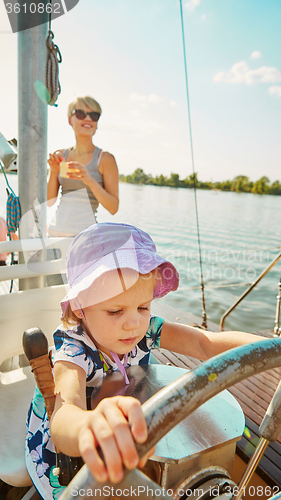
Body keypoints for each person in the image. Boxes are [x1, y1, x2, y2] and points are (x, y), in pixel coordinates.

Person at [25, 223, 266, 500]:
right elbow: (63, 418)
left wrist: (268, 348)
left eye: (143, 306)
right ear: (79, 308)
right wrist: (89, 427)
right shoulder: (74, 349)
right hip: (71, 457)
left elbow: (204, 343)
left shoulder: (148, 329)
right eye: (115, 311)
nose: (134, 323)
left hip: (128, 432)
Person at [47, 96, 119, 237]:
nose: (87, 119)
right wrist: (54, 171)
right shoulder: (61, 155)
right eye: (80, 113)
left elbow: (113, 208)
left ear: (97, 123)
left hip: (85, 240)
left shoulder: (105, 159)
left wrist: (89, 180)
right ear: (70, 120)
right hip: (54, 236)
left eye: (94, 115)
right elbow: (49, 202)